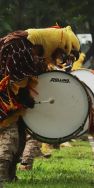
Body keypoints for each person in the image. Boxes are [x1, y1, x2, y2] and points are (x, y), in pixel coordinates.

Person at [0, 26, 80, 182]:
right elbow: (14, 78)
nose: (62, 60)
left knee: (20, 138)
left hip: (13, 105)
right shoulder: (19, 47)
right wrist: (24, 96)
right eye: (64, 55)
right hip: (5, 104)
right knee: (11, 137)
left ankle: (9, 176)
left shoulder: (33, 52)